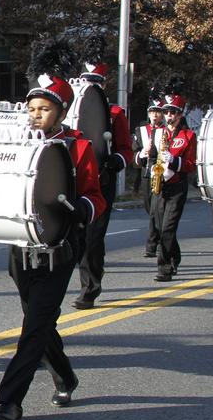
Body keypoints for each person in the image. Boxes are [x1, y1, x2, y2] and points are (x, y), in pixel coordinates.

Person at [0, 37, 105, 420]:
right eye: (32, 108)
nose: (35, 115)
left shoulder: (77, 147)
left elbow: (94, 196)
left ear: (60, 112)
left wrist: (78, 211)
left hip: (60, 246)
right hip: (21, 246)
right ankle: (66, 376)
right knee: (39, 320)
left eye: (44, 109)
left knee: (35, 322)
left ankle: (9, 401)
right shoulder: (16, 143)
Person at [72, 48, 133, 309]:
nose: (90, 86)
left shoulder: (115, 113)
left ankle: (90, 289)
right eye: (87, 80)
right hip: (72, 182)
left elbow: (126, 151)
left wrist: (113, 161)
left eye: (95, 82)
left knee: (93, 238)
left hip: (101, 182)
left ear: (102, 85)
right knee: (72, 238)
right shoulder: (68, 111)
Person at [147, 83, 197, 282]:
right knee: (160, 229)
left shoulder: (189, 136)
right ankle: (174, 256)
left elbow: (191, 165)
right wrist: (151, 166)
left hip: (177, 186)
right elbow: (150, 157)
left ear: (180, 114)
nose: (169, 116)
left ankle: (164, 268)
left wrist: (173, 161)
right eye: (166, 112)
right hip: (159, 185)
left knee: (168, 228)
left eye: (173, 112)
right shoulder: (157, 133)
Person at [133, 87, 165, 258]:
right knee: (149, 207)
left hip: (161, 171)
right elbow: (133, 155)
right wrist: (141, 154)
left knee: (155, 209)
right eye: (152, 111)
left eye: (158, 112)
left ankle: (152, 245)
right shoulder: (141, 130)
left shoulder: (167, 130)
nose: (155, 115)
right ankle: (158, 239)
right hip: (147, 171)